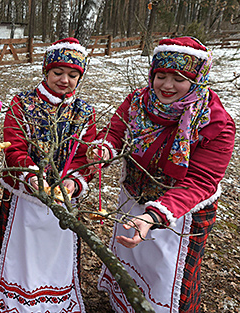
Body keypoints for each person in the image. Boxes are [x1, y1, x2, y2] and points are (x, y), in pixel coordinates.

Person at [92, 37, 236, 312]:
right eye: (160, 75)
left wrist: (153, 215)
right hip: (134, 197)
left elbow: (202, 181)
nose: (167, 86)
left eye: (179, 78)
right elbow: (115, 133)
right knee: (133, 264)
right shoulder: (138, 102)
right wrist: (104, 150)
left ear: (197, 79)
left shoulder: (215, 122)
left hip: (179, 212)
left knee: (165, 276)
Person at [0, 38, 97, 313]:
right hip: (24, 195)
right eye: (58, 72)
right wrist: (32, 176)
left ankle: (56, 300)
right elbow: (14, 148)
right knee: (22, 253)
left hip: (64, 197)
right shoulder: (22, 104)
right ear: (46, 71)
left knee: (56, 251)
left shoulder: (84, 112)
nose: (64, 80)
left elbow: (84, 157)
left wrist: (73, 181)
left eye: (73, 75)